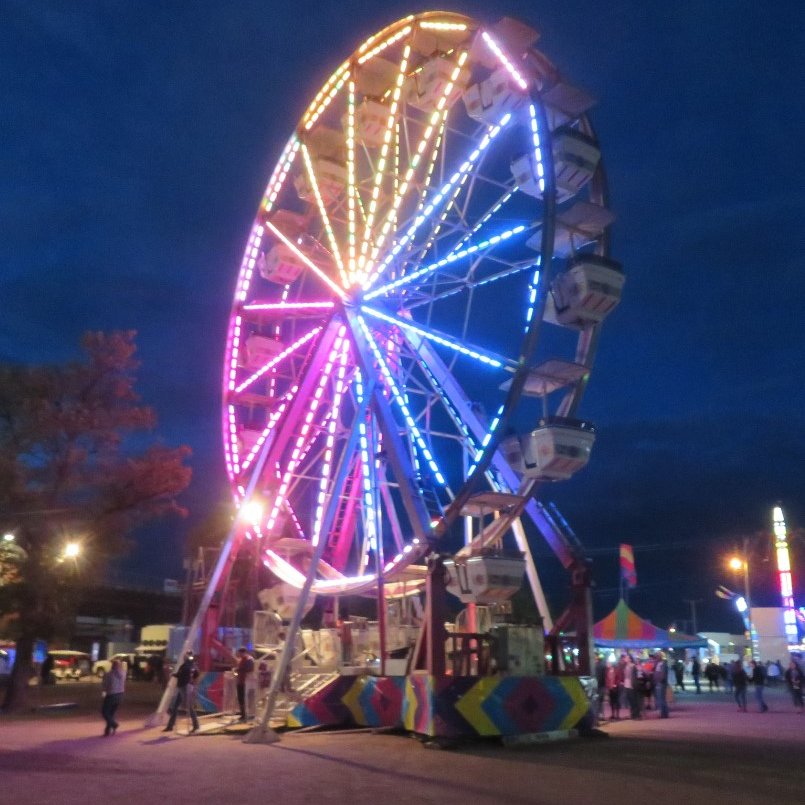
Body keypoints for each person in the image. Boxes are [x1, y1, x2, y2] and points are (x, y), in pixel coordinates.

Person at [163, 652, 200, 733]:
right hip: (182, 687)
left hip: (185, 687)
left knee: (189, 707)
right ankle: (170, 726)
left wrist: (191, 682)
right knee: (176, 707)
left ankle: (196, 725)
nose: (185, 656)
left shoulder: (189, 666)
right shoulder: (187, 666)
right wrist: (174, 674)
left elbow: (192, 675)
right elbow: (183, 674)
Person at [101, 658, 126, 736]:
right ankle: (107, 730)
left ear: (112, 666)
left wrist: (104, 691)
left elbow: (104, 685)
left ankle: (114, 724)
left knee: (105, 712)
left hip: (111, 695)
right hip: (120, 695)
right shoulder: (123, 673)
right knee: (111, 713)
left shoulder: (108, 674)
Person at [234, 646, 254, 722]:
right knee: (241, 698)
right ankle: (243, 714)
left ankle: (245, 714)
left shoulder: (248, 659)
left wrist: (239, 669)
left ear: (243, 652)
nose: (238, 654)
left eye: (239, 653)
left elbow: (250, 669)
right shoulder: (242, 660)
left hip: (245, 681)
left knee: (244, 698)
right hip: (240, 681)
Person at [653, 652, 669, 718]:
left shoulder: (663, 664)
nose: (656, 658)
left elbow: (662, 675)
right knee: (660, 698)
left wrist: (659, 680)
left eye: (657, 656)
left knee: (662, 699)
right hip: (658, 682)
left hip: (661, 683)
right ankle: (663, 713)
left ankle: (664, 714)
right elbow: (656, 672)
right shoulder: (658, 664)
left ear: (660, 657)